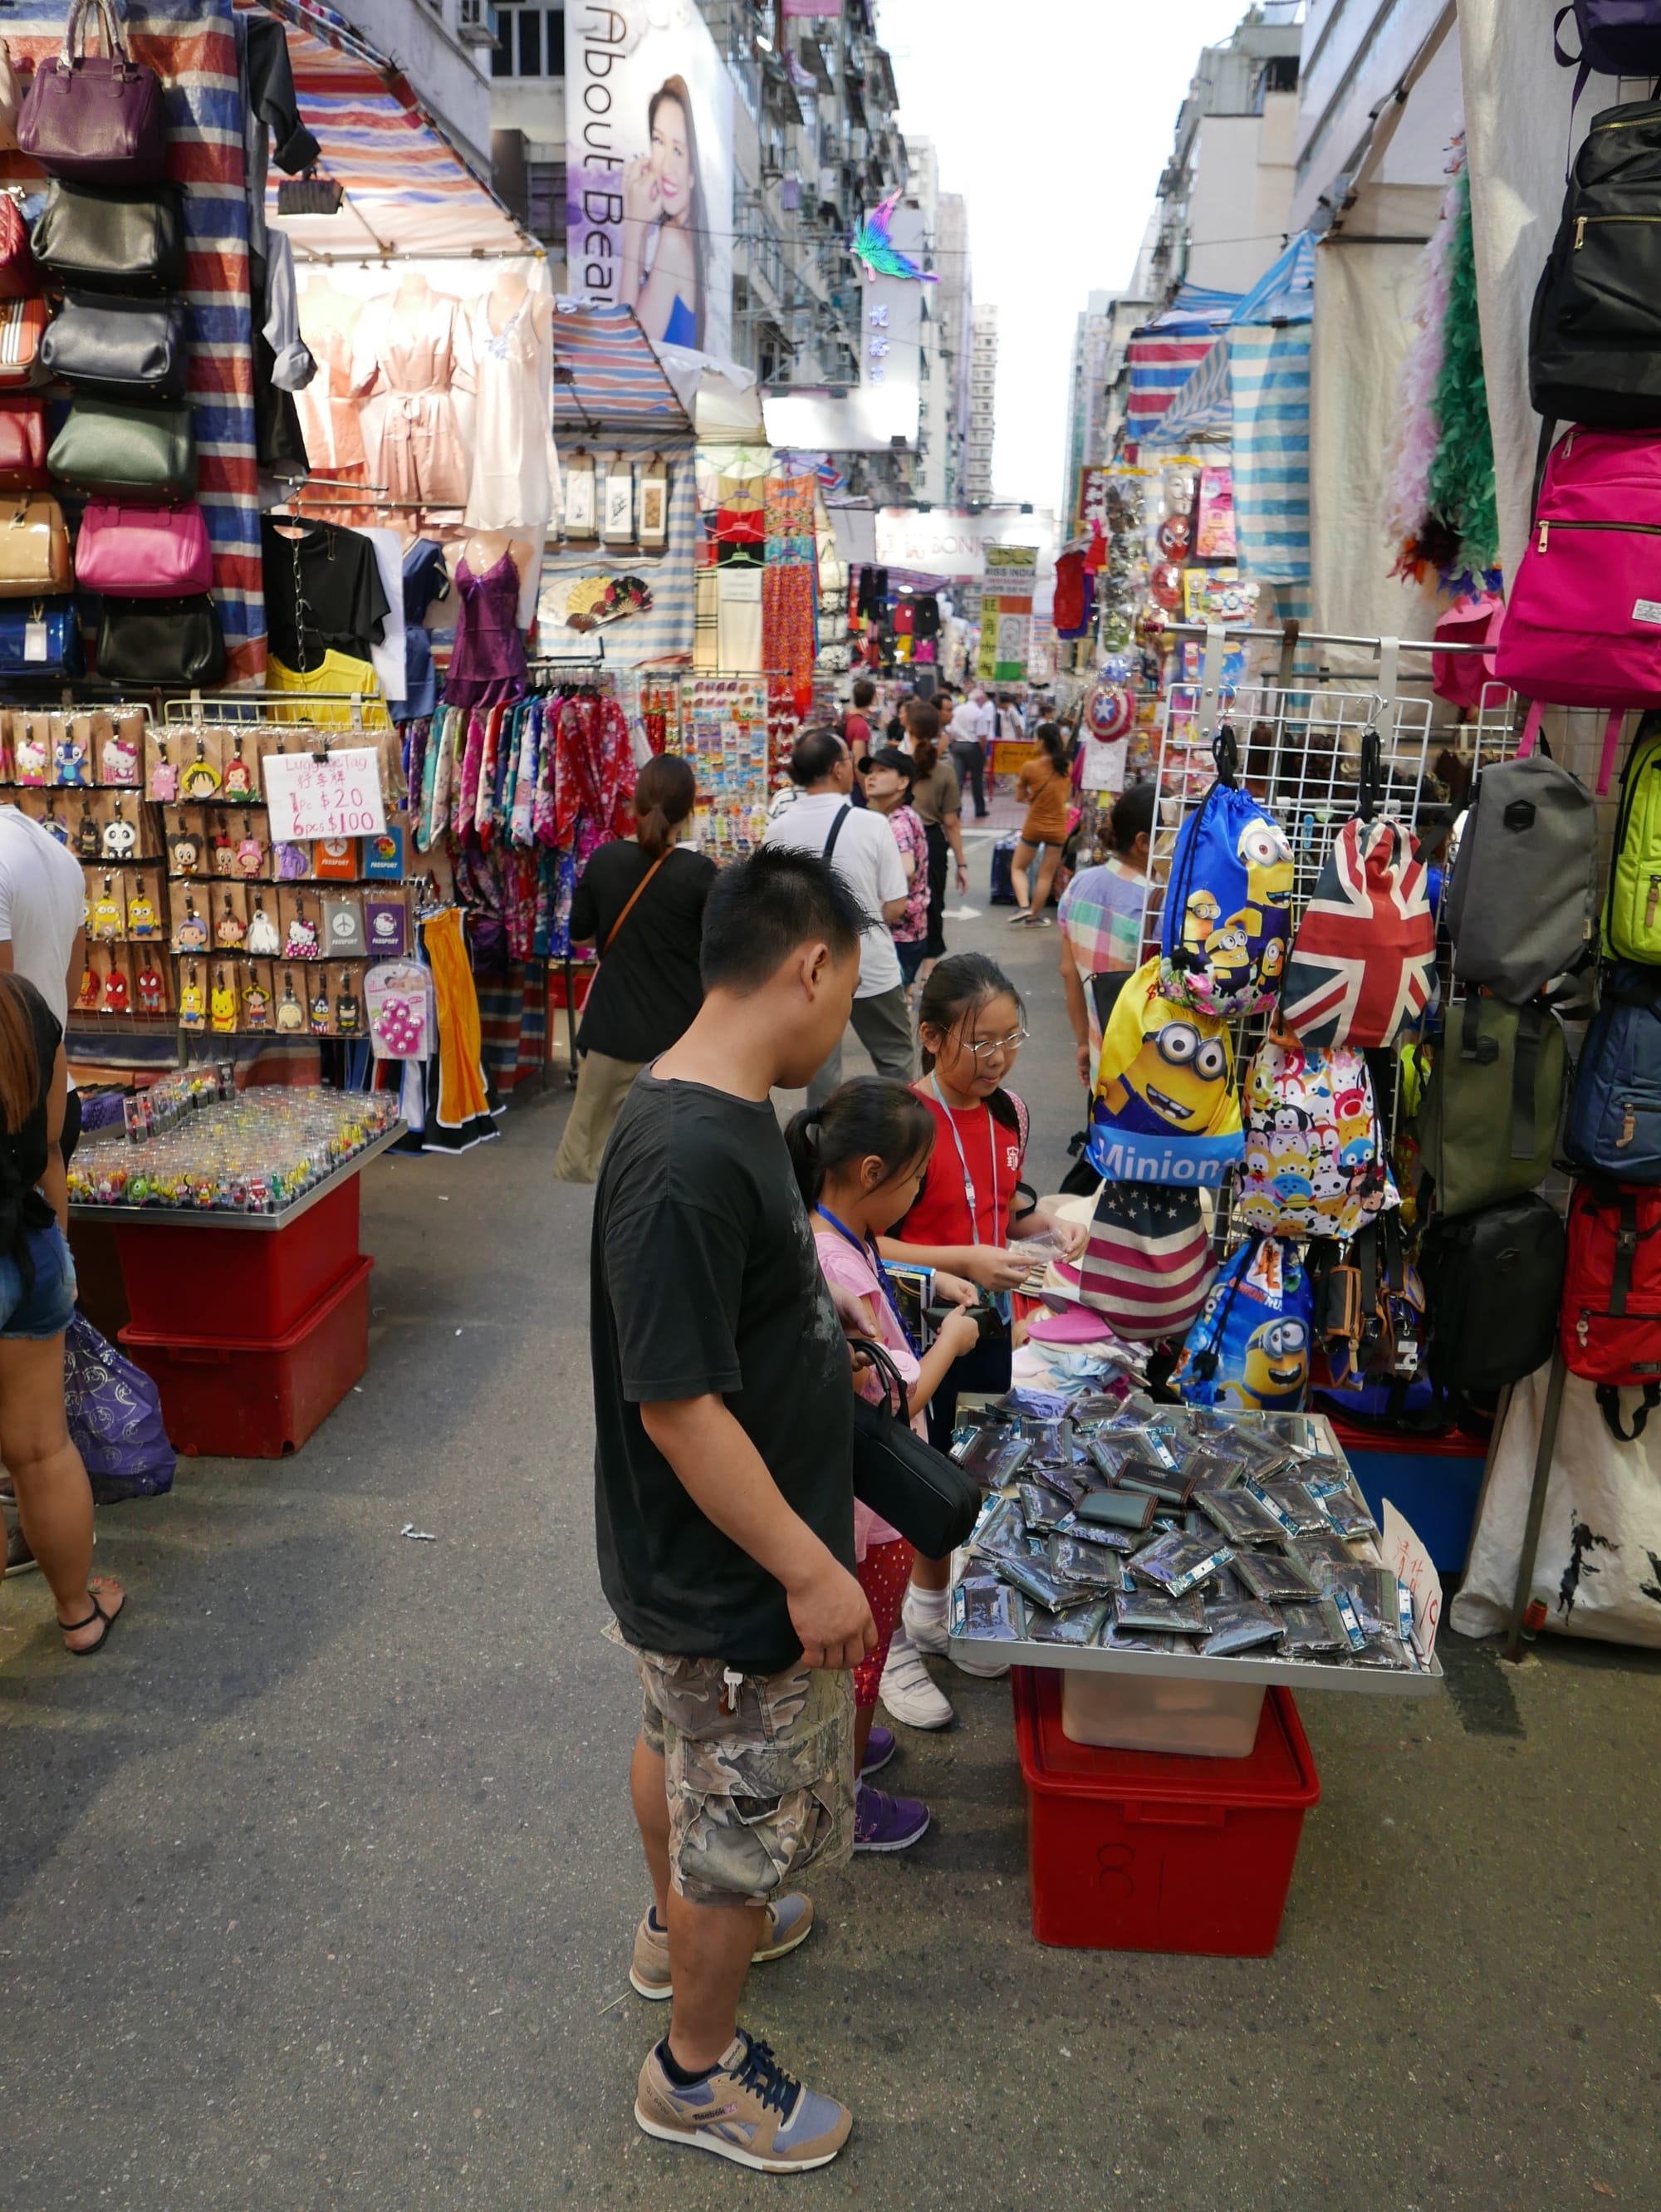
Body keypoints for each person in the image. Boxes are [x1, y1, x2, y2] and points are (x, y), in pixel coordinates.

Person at [593, 846, 872, 2170]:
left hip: (701, 1567)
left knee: (685, 1748)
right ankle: (695, 2071)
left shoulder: (723, 1104)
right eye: (849, 985)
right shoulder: (691, 1150)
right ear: (809, 964)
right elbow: (679, 1404)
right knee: (740, 1832)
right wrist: (811, 1569)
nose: (843, 1016)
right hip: (730, 1571)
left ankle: (672, 1929)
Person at [876, 954, 1086, 1729]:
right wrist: (964, 1260)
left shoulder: (1011, 1114)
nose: (996, 1057)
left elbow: (999, 1209)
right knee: (905, 1483)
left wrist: (1043, 1229)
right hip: (909, 1332)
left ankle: (933, 1610)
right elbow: (864, 1243)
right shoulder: (900, 1122)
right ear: (931, 1038)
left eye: (1010, 1039)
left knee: (966, 1473)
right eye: (979, 1042)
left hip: (987, 1325)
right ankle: (892, 1637)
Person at [787, 1078, 982, 1850]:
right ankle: (848, 1798)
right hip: (873, 1508)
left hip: (853, 1497)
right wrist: (951, 1344)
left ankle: (849, 1746)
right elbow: (891, 1403)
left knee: (861, 1652)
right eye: (913, 1179)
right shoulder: (843, 1267)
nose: (915, 1195)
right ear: (871, 1173)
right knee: (863, 1657)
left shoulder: (826, 1234)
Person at [0, 972, 126, 1654]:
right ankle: (78, 1613)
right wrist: (63, 1257)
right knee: (43, 1449)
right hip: (30, 1243)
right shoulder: (20, 1005)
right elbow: (52, 1140)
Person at [555, 756, 716, 1183]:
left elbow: (580, 938)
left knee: (601, 1159)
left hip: (611, 1029)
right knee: (670, 1161)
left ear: (635, 804)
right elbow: (719, 952)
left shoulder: (604, 860)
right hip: (680, 1039)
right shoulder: (701, 874)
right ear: (689, 809)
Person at [0, 798, 87, 1576]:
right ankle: (76, 1605)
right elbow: (64, 988)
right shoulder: (56, 854)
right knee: (41, 1437)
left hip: (13, 1125)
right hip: (39, 1135)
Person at [762, 729, 913, 1110]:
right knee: (895, 1060)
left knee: (823, 1074)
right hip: (870, 962)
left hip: (811, 970)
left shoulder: (779, 829)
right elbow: (896, 905)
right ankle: (897, 1142)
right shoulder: (873, 824)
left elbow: (772, 905)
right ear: (836, 769)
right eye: (848, 760)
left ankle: (821, 1153)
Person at [1058, 781, 1156, 1087]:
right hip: (1150, 1073)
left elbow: (1069, 973)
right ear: (1143, 842)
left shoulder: (1079, 886)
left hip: (1102, 1062)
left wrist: (1084, 1042)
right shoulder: (1156, 904)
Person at [619, 76, 708, 349]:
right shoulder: (690, 240)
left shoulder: (673, 240)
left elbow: (628, 347)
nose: (666, 165)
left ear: (694, 171)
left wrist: (634, 227)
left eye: (679, 151)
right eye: (658, 141)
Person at [904, 705, 967, 981]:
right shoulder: (945, 772)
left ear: (909, 729)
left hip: (900, 841)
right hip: (932, 844)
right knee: (932, 905)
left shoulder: (897, 766)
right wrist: (962, 863)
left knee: (898, 905)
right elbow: (951, 822)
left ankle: (903, 975)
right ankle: (927, 974)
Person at [859, 746, 929, 988]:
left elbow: (906, 869)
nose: (871, 777)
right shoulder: (904, 815)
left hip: (900, 934)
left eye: (881, 770)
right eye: (869, 772)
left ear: (903, 782)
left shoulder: (898, 821)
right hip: (912, 932)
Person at [1009, 721, 1073, 927]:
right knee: (1046, 876)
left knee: (1018, 868)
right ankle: (1033, 917)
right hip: (1057, 829)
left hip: (1034, 826)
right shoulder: (1067, 767)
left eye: (1037, 738)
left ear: (1043, 741)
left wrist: (1029, 797)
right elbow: (1067, 796)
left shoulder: (1030, 767)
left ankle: (1023, 906)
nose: (1034, 742)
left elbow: (1019, 797)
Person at [947, 687, 988, 820]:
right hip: (973, 746)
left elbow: (950, 731)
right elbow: (982, 736)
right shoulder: (979, 713)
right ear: (979, 699)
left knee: (958, 780)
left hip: (958, 745)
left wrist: (953, 745)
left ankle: (956, 809)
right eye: (983, 699)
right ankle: (979, 809)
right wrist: (983, 753)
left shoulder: (957, 710)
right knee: (976, 779)